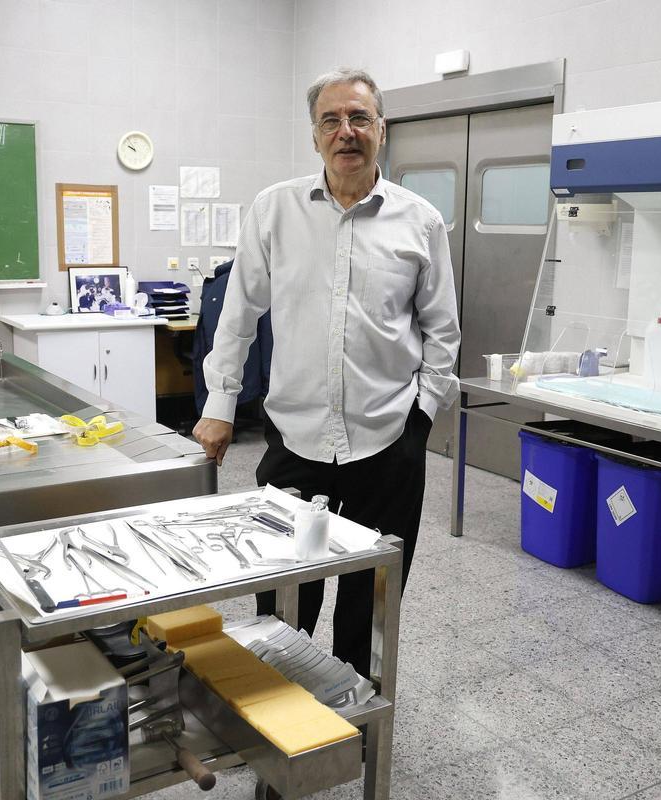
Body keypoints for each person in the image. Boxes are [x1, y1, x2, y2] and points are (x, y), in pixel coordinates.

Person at [193, 67, 460, 677]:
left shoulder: (420, 222)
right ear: (314, 136)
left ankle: (355, 701)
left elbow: (442, 330)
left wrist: (421, 418)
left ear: (381, 130)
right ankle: (281, 701)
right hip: (295, 435)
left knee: (373, 592)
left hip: (388, 438)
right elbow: (238, 315)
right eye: (331, 120)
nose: (346, 131)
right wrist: (219, 405)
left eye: (359, 118)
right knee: (284, 588)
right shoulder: (274, 210)